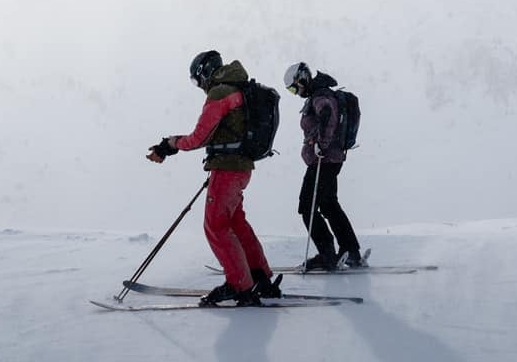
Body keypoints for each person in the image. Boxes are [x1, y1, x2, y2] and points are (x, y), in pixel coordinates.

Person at [148, 49, 283, 306]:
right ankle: (259, 278)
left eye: (196, 80)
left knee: (216, 226)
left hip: (228, 168)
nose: (198, 86)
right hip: (241, 168)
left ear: (204, 72)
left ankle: (239, 286)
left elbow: (200, 137)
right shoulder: (239, 87)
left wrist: (170, 144)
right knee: (235, 223)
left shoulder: (220, 92)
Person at [284, 61, 364, 271]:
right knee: (329, 204)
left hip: (323, 159)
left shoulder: (320, 95)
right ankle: (351, 251)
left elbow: (328, 115)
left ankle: (328, 254)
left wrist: (321, 144)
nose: (295, 92)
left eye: (294, 87)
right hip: (331, 158)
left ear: (302, 78)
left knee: (307, 206)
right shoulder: (321, 93)